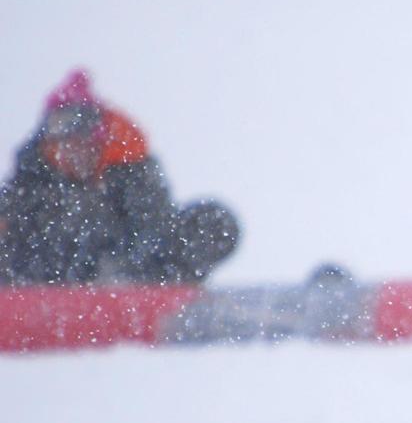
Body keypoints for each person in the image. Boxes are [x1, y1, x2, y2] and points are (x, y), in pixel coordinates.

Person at [0, 69, 239, 284]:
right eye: (65, 142)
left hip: (133, 283)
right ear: (50, 145)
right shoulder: (28, 188)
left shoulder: (132, 174)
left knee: (213, 222)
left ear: (99, 141)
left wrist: (122, 268)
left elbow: (155, 228)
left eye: (83, 141)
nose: (75, 150)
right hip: (46, 286)